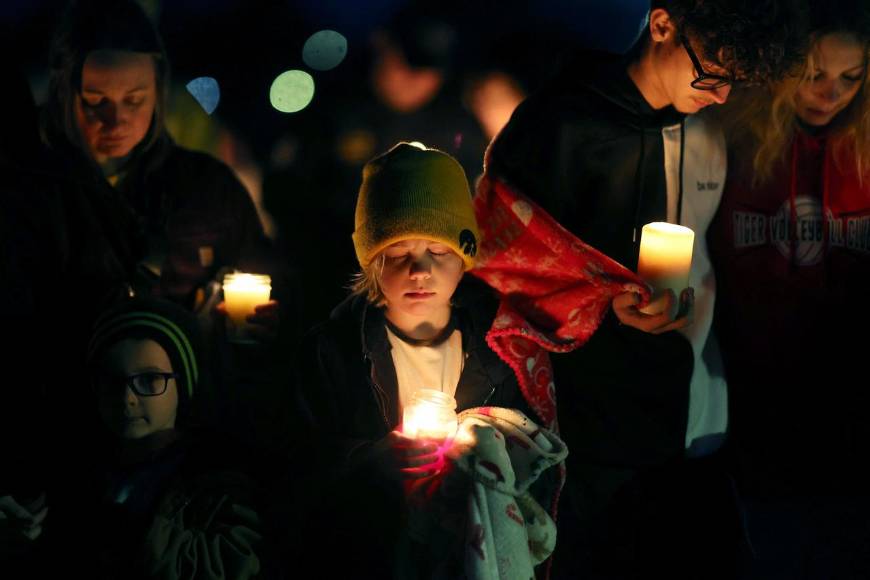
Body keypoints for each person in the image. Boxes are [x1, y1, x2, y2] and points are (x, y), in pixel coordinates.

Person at [484, 1, 806, 578]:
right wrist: (598, 304)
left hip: (694, 426)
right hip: (587, 435)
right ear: (662, 26)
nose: (723, 95)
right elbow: (501, 264)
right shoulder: (559, 124)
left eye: (735, 81)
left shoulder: (710, 126)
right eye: (712, 74)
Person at [293, 142, 554, 577]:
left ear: (466, 254)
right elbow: (301, 467)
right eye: (398, 254)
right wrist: (375, 463)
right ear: (373, 260)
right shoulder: (332, 352)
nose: (420, 270)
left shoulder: (503, 345)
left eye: (439, 250)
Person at [708, 1, 870, 577]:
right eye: (813, 74)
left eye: (851, 79)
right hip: (749, 405)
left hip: (850, 412)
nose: (831, 94)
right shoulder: (728, 139)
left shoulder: (862, 148)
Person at [79, 297, 272, 579]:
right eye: (111, 380)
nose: (127, 398)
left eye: (149, 380)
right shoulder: (81, 466)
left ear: (181, 385)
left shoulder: (216, 478)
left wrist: (128, 528)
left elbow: (233, 563)